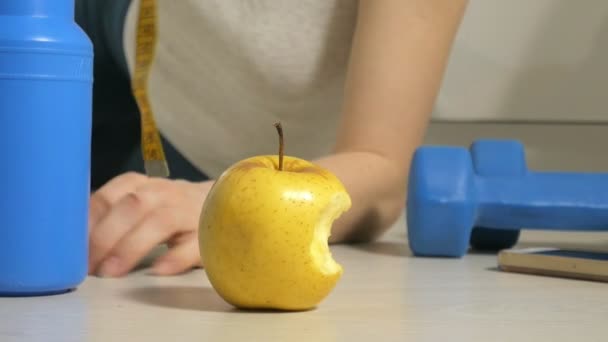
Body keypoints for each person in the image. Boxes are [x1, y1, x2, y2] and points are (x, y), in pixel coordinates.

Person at [76, 0, 468, 277]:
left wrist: (234, 206)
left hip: (197, 163)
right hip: (108, 25)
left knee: (115, 236)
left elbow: (383, 167)